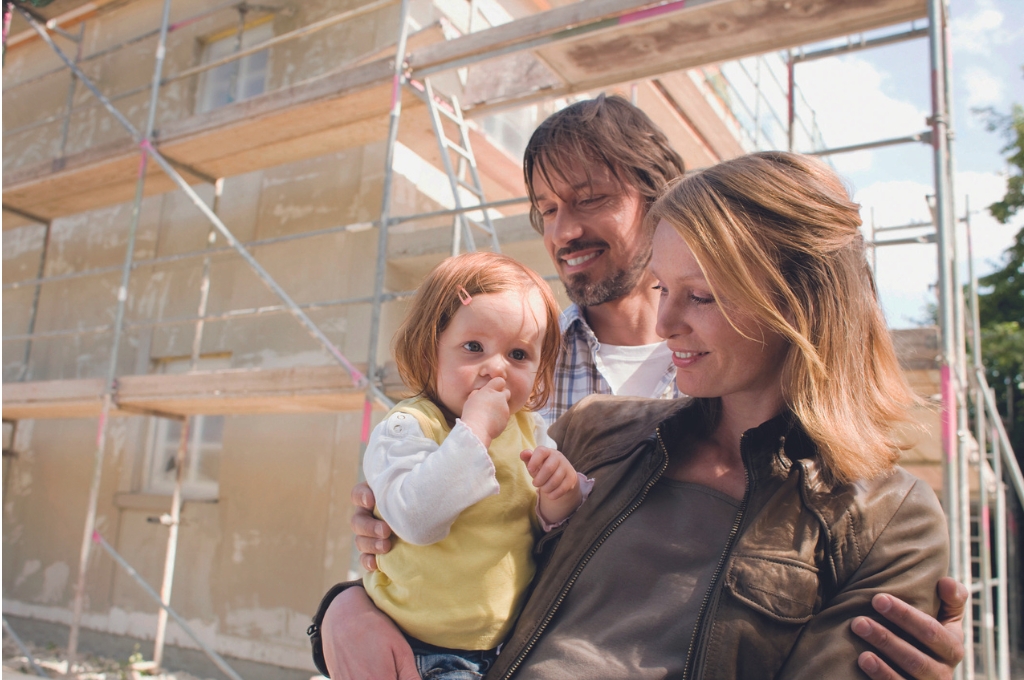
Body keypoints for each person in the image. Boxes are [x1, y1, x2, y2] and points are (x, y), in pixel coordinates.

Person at [313, 97, 967, 679]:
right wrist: (344, 607)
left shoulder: (887, 519)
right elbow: (455, 553)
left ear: (798, 305)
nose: (665, 323)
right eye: (545, 208)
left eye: (700, 294)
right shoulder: (591, 423)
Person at [360, 251, 589, 679]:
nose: (495, 369)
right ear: (431, 350)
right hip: (420, 645)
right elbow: (417, 520)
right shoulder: (408, 428)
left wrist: (559, 496)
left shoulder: (529, 430)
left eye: (519, 355)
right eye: (473, 347)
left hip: (509, 644)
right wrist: (476, 431)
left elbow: (537, 528)